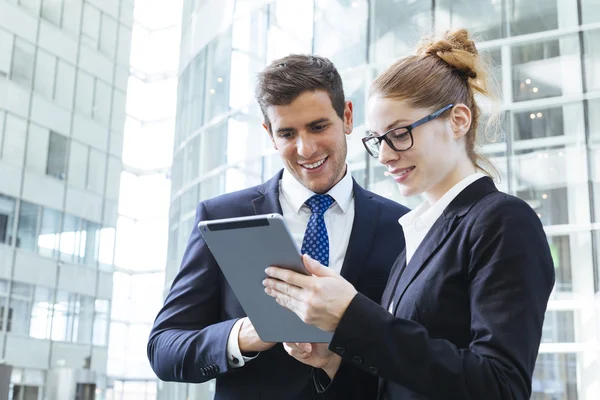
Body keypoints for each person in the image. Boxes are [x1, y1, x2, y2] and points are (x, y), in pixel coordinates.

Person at [263, 29, 555, 400]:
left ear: (458, 121)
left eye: (399, 134)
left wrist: (351, 314)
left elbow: (500, 386)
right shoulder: (415, 237)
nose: (384, 155)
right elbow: (401, 383)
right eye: (376, 140)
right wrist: (332, 360)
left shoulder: (503, 222)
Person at [147, 54, 410, 399]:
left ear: (347, 117)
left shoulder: (401, 226)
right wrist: (246, 334)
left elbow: (412, 358)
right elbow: (165, 348)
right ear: (269, 135)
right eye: (287, 133)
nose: (306, 148)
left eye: (318, 127)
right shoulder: (222, 217)